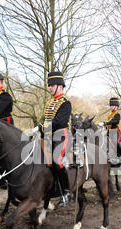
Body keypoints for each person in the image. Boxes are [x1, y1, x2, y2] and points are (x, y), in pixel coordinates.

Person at [34, 71, 72, 207]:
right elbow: (44, 120)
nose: (49, 87)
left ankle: (67, 192)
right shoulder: (49, 103)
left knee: (57, 161)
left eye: (52, 85)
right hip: (48, 136)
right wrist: (38, 128)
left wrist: (42, 127)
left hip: (62, 135)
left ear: (60, 86)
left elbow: (59, 122)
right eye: (49, 85)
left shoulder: (66, 103)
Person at [98, 97, 121, 164]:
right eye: (110, 105)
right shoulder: (109, 115)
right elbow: (108, 124)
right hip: (109, 132)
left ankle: (120, 157)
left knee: (116, 142)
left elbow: (115, 121)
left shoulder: (117, 114)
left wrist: (105, 123)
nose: (111, 107)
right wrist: (103, 127)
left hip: (116, 131)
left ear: (116, 106)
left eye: (112, 105)